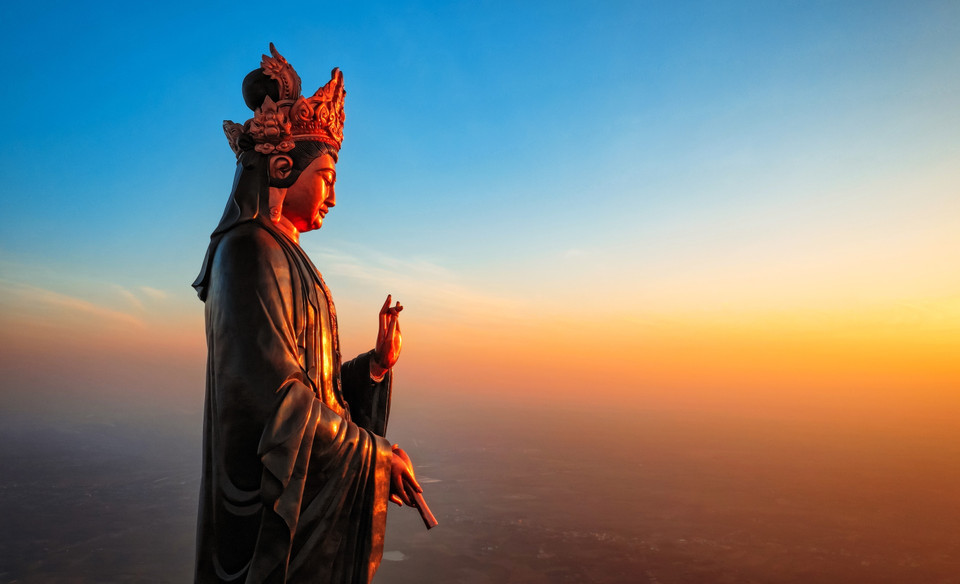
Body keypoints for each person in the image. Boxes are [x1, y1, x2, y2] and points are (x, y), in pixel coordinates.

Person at [191, 44, 421, 584]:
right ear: (282, 166)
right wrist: (375, 458)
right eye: (327, 177)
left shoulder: (285, 257)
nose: (333, 198)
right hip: (266, 523)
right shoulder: (249, 251)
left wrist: (375, 367)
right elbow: (273, 401)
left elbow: (314, 390)